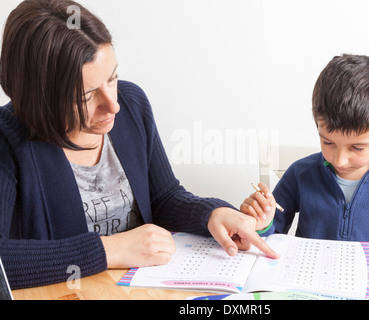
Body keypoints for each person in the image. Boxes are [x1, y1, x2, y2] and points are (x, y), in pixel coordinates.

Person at [0, 0, 278, 290]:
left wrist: (210, 214)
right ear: (38, 98)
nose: (113, 105)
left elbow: (164, 198)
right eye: (86, 97)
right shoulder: (7, 140)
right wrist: (109, 250)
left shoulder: (132, 105)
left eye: (112, 78)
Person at [241, 54, 369, 261]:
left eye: (357, 148)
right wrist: (262, 225)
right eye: (328, 143)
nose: (339, 160)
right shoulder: (301, 173)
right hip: (307, 285)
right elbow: (270, 240)